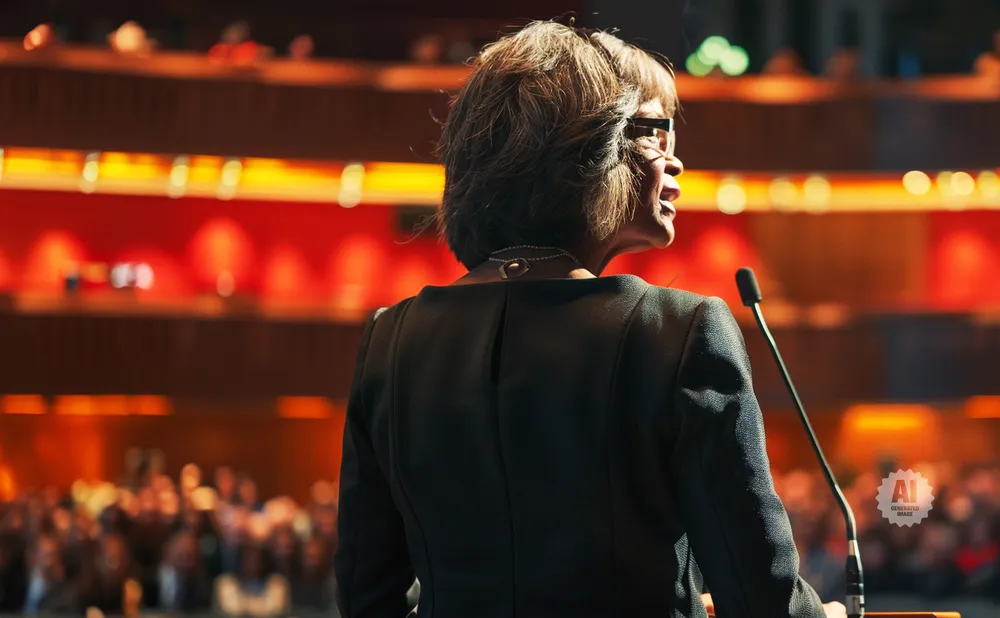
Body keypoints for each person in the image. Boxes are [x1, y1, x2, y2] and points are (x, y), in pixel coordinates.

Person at [334, 20, 846, 618]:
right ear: (584, 152)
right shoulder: (680, 334)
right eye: (658, 133)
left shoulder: (390, 342)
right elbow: (763, 601)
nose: (676, 161)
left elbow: (366, 598)